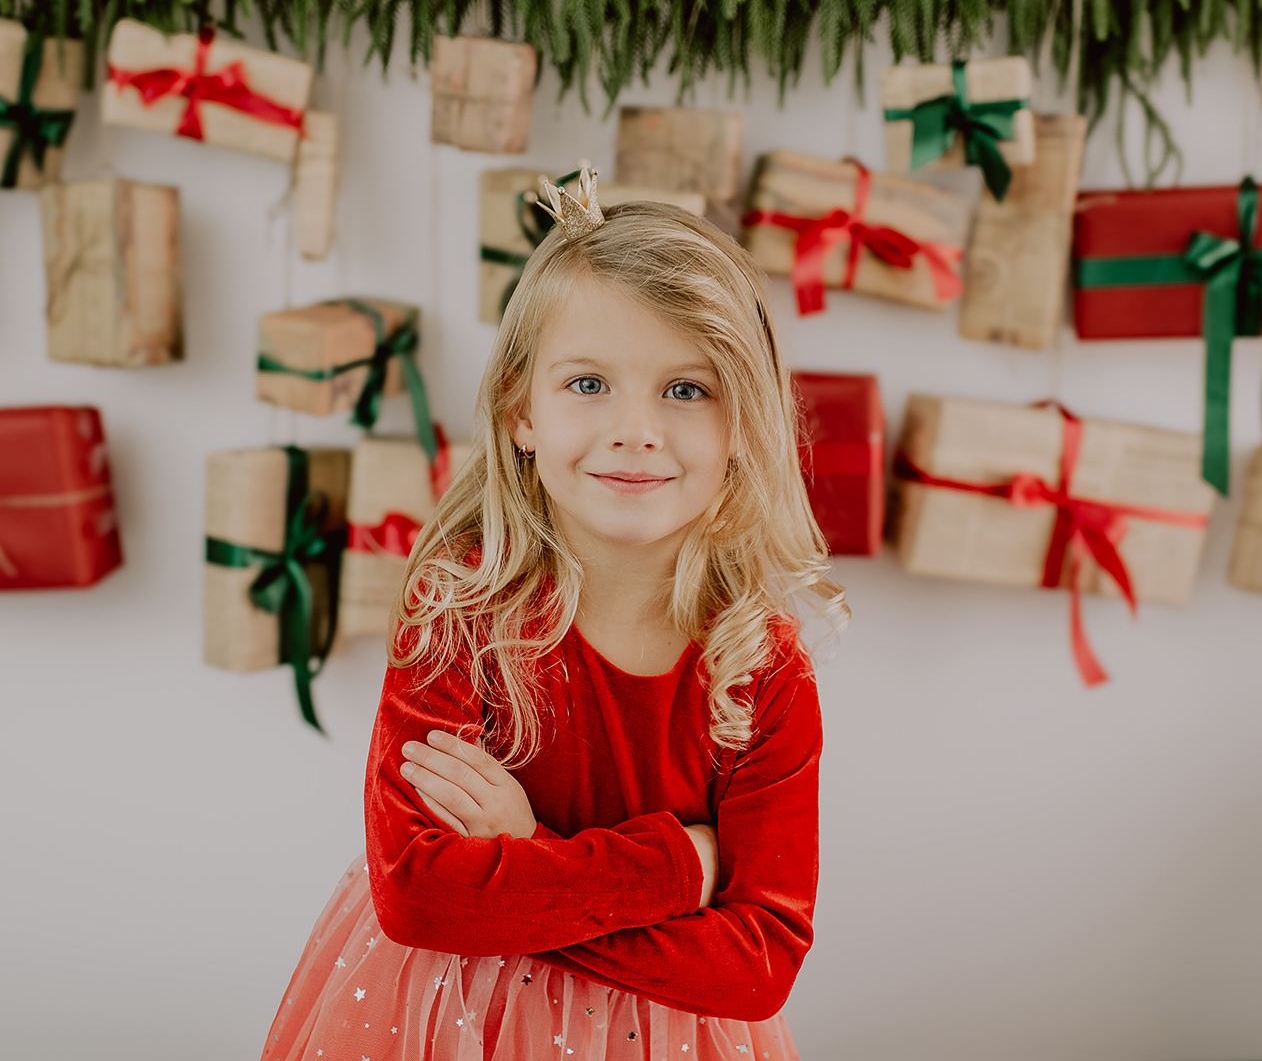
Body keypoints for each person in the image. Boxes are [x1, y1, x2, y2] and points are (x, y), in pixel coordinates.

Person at [262, 169, 844, 1061]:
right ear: (519, 410)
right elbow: (422, 895)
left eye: (686, 391)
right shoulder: (459, 611)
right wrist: (679, 865)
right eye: (588, 385)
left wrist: (524, 855)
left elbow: (757, 963)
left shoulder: (760, 671)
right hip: (444, 1020)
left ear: (743, 426)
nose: (636, 430)